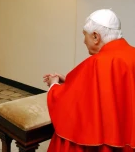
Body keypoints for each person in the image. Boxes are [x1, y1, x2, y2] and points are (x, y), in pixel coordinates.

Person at [43, 9, 135, 152]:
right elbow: (111, 89)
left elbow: (68, 102)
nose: (83, 41)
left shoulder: (97, 63)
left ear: (95, 37)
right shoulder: (132, 54)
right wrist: (69, 81)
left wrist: (54, 84)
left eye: (84, 35)